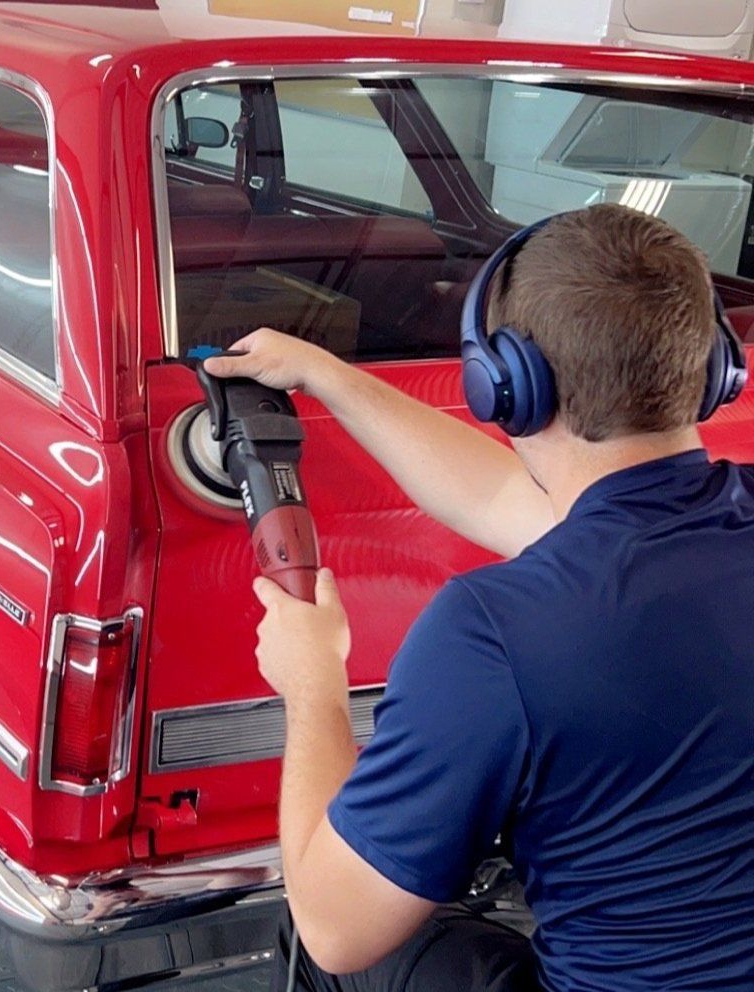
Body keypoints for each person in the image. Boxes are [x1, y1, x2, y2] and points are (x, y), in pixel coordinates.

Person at [203, 204, 754, 992]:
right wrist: (329, 377)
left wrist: (312, 688)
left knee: (315, 909)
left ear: (504, 385)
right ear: (709, 366)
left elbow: (336, 928)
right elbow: (504, 501)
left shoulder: (494, 633)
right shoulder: (645, 553)